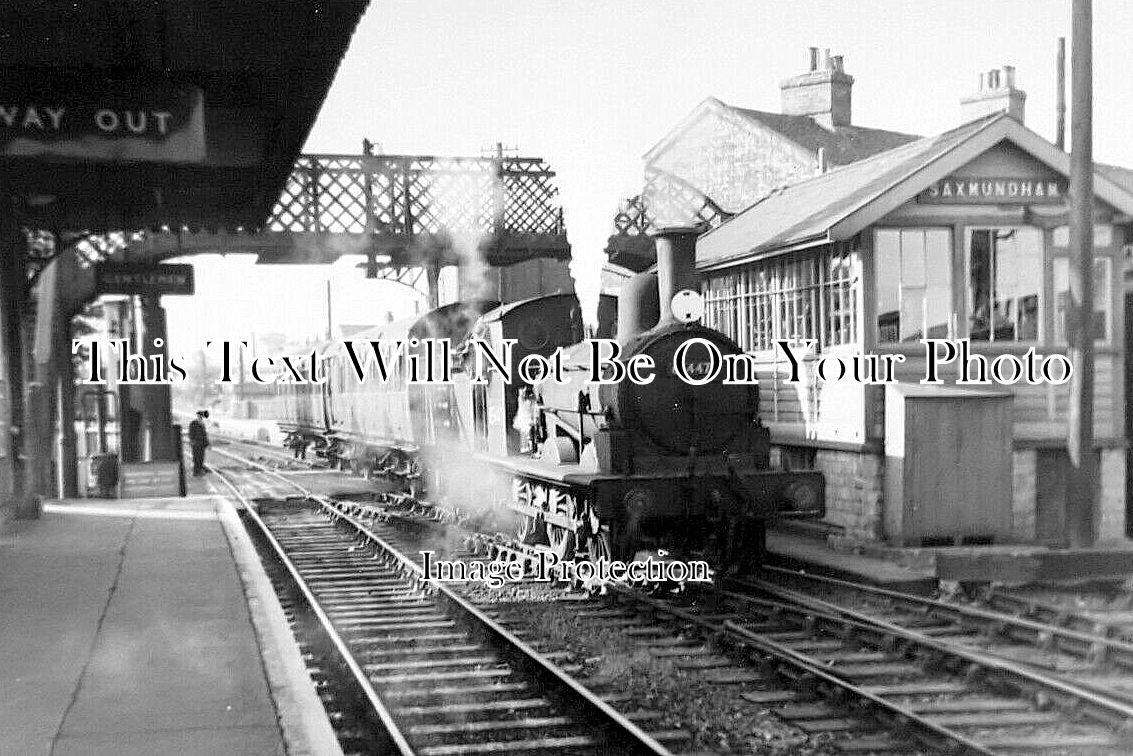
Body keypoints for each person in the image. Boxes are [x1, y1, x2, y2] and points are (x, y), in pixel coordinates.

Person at [188, 410, 210, 475]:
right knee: (196, 458)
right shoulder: (193, 423)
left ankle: (200, 470)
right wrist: (192, 441)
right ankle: (196, 472)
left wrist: (207, 444)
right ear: (198, 416)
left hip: (202, 445)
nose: (201, 418)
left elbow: (204, 435)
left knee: (201, 458)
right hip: (196, 444)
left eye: (202, 417)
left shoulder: (202, 424)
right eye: (200, 416)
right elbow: (191, 433)